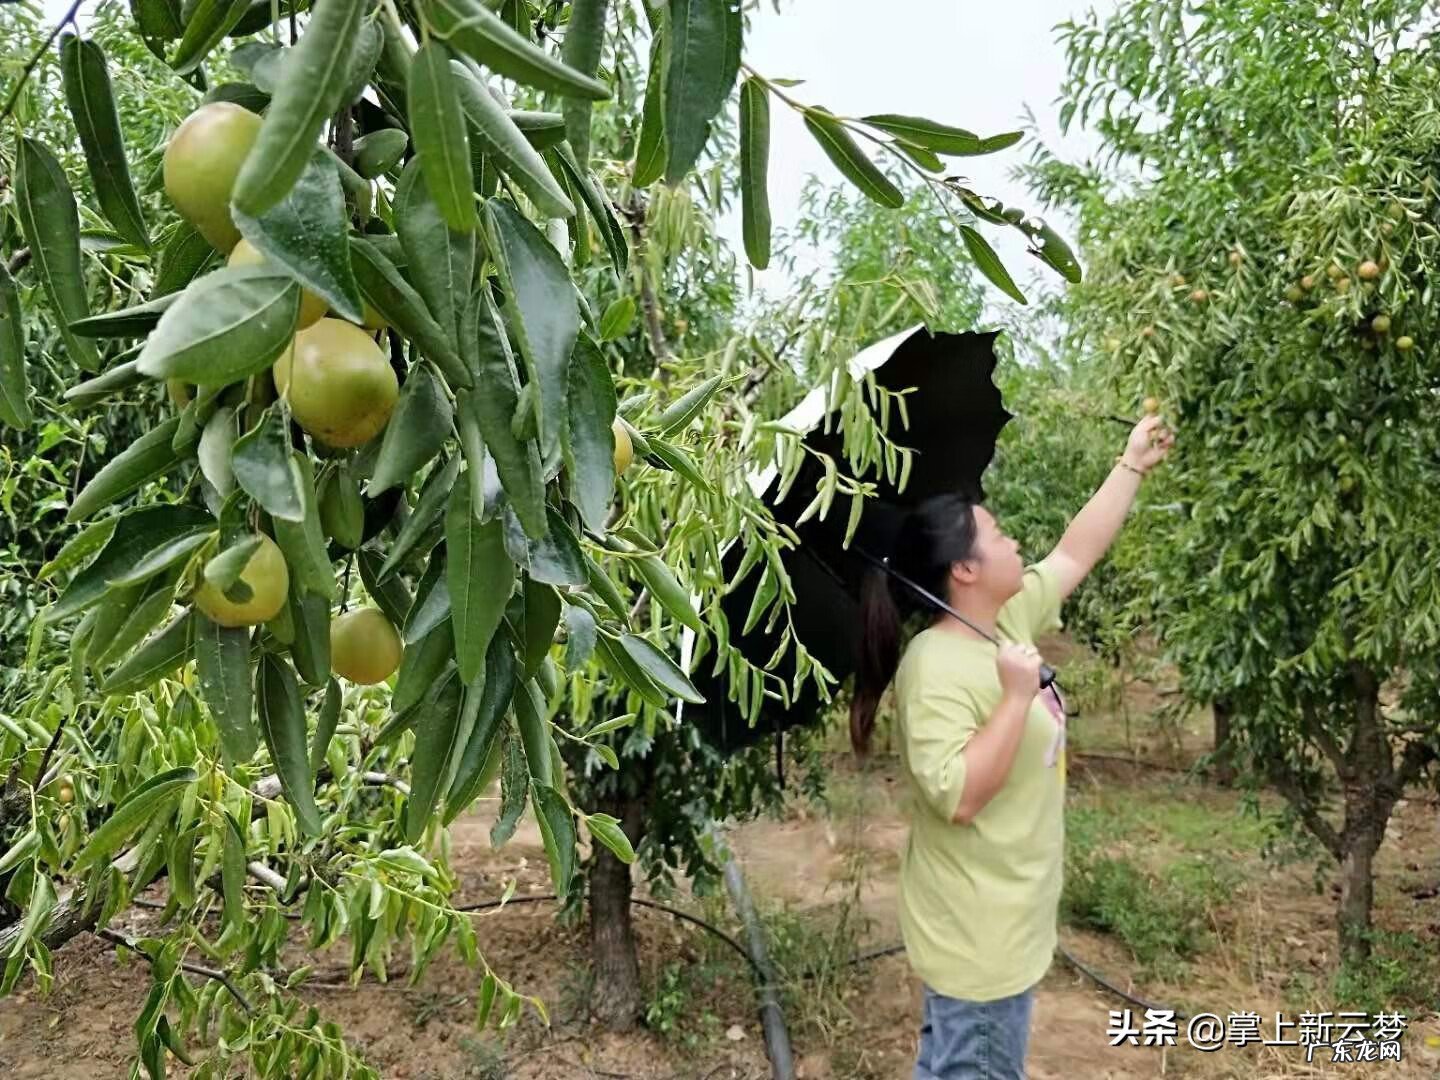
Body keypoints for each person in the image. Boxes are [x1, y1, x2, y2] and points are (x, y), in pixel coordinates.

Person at [851, 414, 1175, 1080]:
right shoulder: (935, 668)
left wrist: (1131, 465)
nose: (1014, 536)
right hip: (979, 943)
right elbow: (961, 797)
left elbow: (1073, 554)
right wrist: (1015, 699)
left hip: (1008, 923)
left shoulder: (999, 623)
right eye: (997, 532)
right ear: (966, 567)